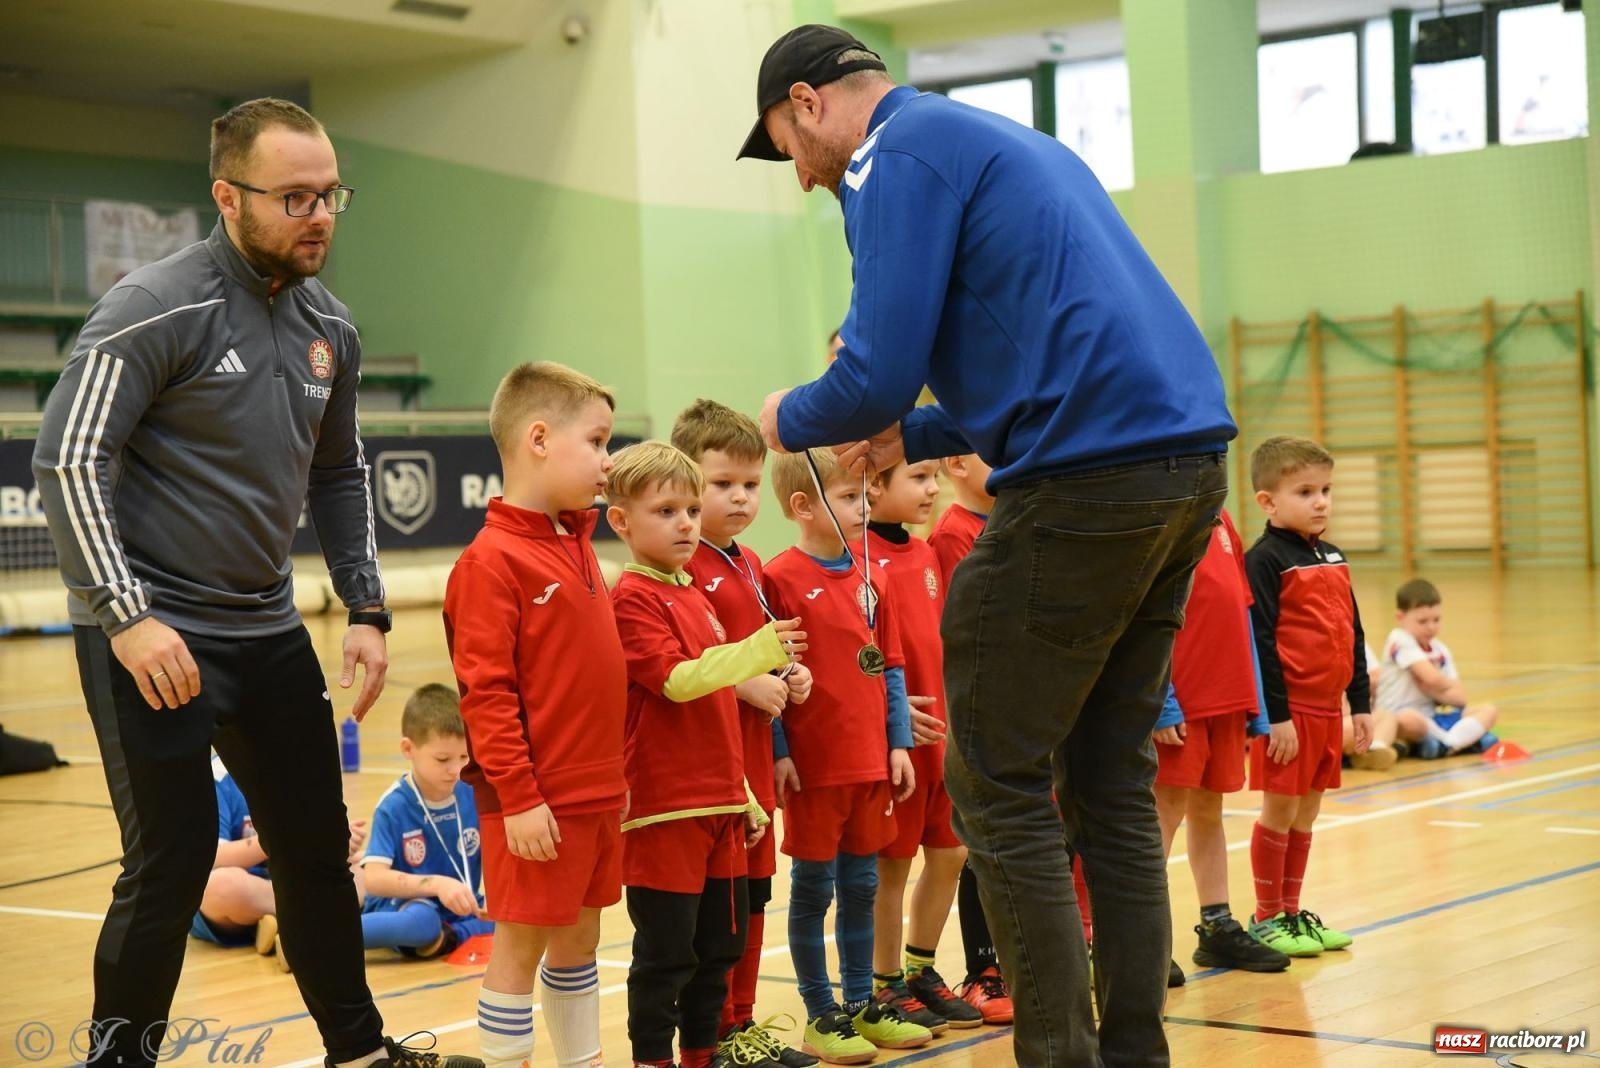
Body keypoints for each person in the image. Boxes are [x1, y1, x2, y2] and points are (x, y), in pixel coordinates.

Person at [741, 25, 1235, 1066]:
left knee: (999, 787)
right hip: (1182, 466)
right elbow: (1027, 360)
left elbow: (870, 373)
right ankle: (1133, 1053)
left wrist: (784, 415)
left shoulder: (890, 159)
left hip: (1083, 487)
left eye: (784, 143)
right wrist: (909, 436)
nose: (796, 174)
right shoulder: (989, 138)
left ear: (807, 102)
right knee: (1107, 782)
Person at [30, 97, 475, 1068]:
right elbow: (68, 462)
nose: (318, 215)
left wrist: (363, 605)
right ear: (228, 197)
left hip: (266, 630)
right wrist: (128, 617)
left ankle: (356, 1052)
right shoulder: (154, 306)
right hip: (153, 635)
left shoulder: (331, 327)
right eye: (294, 197)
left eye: (330, 195)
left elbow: (338, 471)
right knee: (172, 861)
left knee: (315, 850)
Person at [444, 362, 627, 1068]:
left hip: (596, 794)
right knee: (519, 949)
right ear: (540, 439)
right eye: (598, 442)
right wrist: (518, 798)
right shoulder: (490, 562)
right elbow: (486, 696)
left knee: (582, 944)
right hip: (533, 804)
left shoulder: (578, 545)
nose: (608, 462)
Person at [606, 440, 809, 1068]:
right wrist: (757, 650)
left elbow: (718, 708)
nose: (686, 523)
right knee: (667, 956)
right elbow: (678, 680)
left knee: (717, 951)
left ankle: (702, 1056)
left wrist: (742, 795)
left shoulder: (694, 592)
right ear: (620, 521)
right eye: (665, 511)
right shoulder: (632, 598)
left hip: (722, 807)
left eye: (691, 509)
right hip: (665, 812)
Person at [762, 448, 930, 1063]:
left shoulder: (873, 576)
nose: (865, 508)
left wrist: (899, 742)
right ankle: (819, 1012)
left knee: (861, 884)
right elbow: (771, 671)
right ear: (803, 507)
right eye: (849, 498)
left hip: (869, 765)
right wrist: (780, 750)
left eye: (866, 496)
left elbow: (888, 666)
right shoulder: (777, 578)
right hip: (815, 768)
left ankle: (863, 1002)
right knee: (814, 889)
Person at [671, 399, 820, 1068]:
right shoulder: (682, 568)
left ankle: (743, 1021)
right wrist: (742, 685)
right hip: (708, 772)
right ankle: (712, 1032)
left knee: (754, 898)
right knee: (719, 909)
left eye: (750, 485)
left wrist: (789, 679)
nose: (738, 498)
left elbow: (762, 651)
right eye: (720, 484)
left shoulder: (750, 564)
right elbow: (678, 668)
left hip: (757, 765)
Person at [859, 461, 982, 1032]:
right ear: (874, 486)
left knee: (952, 854)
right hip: (899, 744)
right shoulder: (858, 560)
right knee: (893, 865)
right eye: (918, 478)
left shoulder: (927, 552)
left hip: (944, 738)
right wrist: (890, 711)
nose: (932, 489)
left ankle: (920, 968)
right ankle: (884, 983)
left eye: (934, 477)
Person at [1244, 437, 1371, 960]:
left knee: (1308, 813)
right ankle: (1267, 915)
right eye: (1305, 491)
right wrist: (1275, 717)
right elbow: (1262, 644)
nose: (1321, 501)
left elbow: (1354, 632)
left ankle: (1294, 914)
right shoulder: (1265, 560)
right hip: (1289, 713)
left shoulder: (1334, 555)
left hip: (1327, 708)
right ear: (1268, 501)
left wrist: (1360, 704)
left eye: (1326, 490)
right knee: (1280, 810)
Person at [1151, 510, 1291, 982]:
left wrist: (1258, 701)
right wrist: (1161, 700)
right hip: (1181, 702)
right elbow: (1142, 625)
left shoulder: (1223, 522)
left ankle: (1216, 925)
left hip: (1227, 700)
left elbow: (1241, 613)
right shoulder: (1161, 520)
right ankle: (1144, 941)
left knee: (1210, 812)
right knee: (1163, 815)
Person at [923, 456, 1010, 1026]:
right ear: (956, 462)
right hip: (979, 716)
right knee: (978, 845)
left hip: (1020, 712)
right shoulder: (952, 535)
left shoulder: (1009, 523)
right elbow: (963, 635)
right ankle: (983, 969)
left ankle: (1012, 962)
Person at [191, 753, 369, 976]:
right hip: (243, 892)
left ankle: (276, 924)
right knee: (219, 887)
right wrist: (281, 839)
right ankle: (309, 924)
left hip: (289, 880)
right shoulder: (215, 779)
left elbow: (312, 840)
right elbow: (211, 858)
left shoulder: (294, 770)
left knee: (361, 868)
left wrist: (335, 840)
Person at [359, 684, 494, 960]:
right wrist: (437, 885)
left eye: (464, 757)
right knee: (422, 922)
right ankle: (309, 938)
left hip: (459, 905)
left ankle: (449, 937)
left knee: (513, 917)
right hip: (406, 906)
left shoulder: (472, 792)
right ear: (408, 749)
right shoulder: (394, 806)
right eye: (443, 759)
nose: (456, 770)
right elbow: (373, 879)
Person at [1377, 579, 1500, 759]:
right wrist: (1442, 688)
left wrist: (1436, 691)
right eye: (1422, 621)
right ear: (1400, 617)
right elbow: (1431, 679)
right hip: (1401, 717)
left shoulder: (1441, 650)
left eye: (1436, 620)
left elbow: (1460, 698)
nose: (1431, 627)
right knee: (1408, 718)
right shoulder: (1399, 639)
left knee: (1489, 710)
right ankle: (1465, 740)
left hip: (1432, 718)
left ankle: (1446, 744)